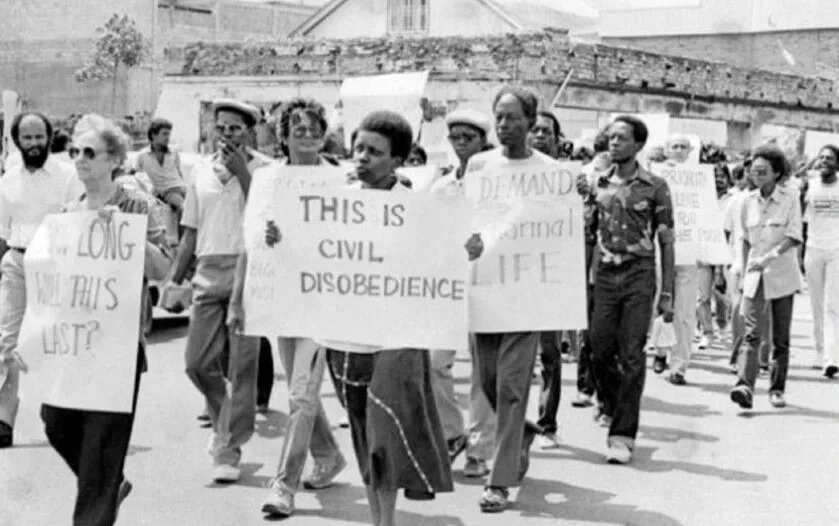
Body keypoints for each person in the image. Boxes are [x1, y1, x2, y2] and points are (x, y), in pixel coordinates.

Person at [322, 111, 452, 526]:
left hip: (395, 340)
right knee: (361, 430)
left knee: (383, 433)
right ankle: (378, 514)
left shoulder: (415, 208)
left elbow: (439, 265)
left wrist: (461, 247)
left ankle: (386, 520)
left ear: (397, 161)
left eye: (374, 152)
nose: (361, 158)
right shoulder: (332, 202)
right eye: (358, 148)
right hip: (344, 337)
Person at [40, 118, 171, 526]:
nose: (80, 160)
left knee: (102, 443)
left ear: (114, 160)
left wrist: (130, 237)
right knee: (56, 423)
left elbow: (164, 267)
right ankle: (109, 484)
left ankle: (98, 501)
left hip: (118, 344)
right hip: (74, 342)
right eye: (75, 152)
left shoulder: (136, 205)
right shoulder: (68, 213)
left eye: (90, 153)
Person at [228, 97, 346, 518]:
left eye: (315, 129)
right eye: (299, 129)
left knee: (301, 392)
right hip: (280, 296)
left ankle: (284, 484)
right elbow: (250, 240)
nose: (309, 136)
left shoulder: (341, 179)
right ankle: (329, 455)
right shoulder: (267, 179)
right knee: (300, 392)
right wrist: (238, 298)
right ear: (284, 136)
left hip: (322, 299)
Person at [166, 99, 274, 483]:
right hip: (209, 271)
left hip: (249, 272)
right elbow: (190, 231)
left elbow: (267, 218)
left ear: (250, 131)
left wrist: (243, 173)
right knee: (196, 362)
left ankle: (229, 448)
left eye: (235, 128)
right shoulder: (199, 171)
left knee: (242, 367)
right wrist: (175, 279)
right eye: (222, 127)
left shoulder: (266, 170)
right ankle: (223, 414)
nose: (227, 135)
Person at [468, 87, 556, 512]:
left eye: (512, 117)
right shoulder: (479, 165)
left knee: (512, 384)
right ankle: (520, 433)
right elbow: (467, 218)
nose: (504, 125)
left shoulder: (551, 172)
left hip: (527, 292)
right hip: (485, 285)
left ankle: (498, 481)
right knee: (488, 382)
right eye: (498, 117)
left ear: (531, 121)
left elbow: (562, 233)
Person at [590, 115, 675, 464]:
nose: (614, 143)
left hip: (639, 275)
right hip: (606, 277)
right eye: (610, 137)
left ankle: (623, 435)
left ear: (638, 145)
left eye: (622, 138)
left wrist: (667, 292)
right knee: (598, 350)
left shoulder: (656, 187)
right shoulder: (598, 184)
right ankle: (610, 404)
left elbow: (667, 243)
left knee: (631, 354)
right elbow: (587, 236)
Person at [0, 112, 84, 449]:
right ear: (17, 140)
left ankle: (61, 413)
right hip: (17, 262)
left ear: (49, 138)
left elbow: (78, 221)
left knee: (55, 340)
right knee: (8, 341)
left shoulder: (67, 176)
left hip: (54, 263)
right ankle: (4, 418)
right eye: (27, 138)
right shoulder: (8, 178)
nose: (34, 144)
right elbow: (3, 231)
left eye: (39, 137)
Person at [428, 108, 497, 478]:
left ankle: (481, 447)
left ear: (483, 141)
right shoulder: (442, 186)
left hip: (489, 283)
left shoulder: (498, 181)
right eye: (454, 138)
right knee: (434, 360)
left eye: (468, 138)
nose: (460, 145)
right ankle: (452, 432)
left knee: (483, 371)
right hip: (449, 284)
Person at [730, 145, 803, 410]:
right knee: (751, 333)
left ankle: (776, 389)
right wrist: (744, 269)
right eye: (753, 170)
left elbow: (794, 236)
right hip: (754, 276)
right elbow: (745, 239)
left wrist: (769, 258)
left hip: (781, 274)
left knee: (780, 337)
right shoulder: (746, 201)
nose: (756, 175)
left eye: (763, 171)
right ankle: (744, 385)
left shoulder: (790, 197)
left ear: (776, 173)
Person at [528, 109, 567, 449]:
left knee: (549, 353)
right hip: (513, 274)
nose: (540, 136)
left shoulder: (565, 178)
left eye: (546, 131)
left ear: (556, 139)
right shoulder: (504, 173)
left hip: (551, 274)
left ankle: (546, 425)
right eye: (534, 130)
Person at [652, 133, 697, 386]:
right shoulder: (657, 177)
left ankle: (679, 366)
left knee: (685, 314)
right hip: (661, 253)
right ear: (667, 150)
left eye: (684, 146)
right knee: (661, 306)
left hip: (690, 254)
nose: (679, 150)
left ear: (689, 151)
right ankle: (660, 351)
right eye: (675, 146)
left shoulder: (700, 178)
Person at [803, 144, 839, 379]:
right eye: (821, 157)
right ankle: (818, 351)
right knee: (816, 304)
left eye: (830, 158)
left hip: (837, 250)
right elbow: (805, 219)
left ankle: (831, 358)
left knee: (832, 306)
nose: (824, 161)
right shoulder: (811, 185)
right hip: (813, 249)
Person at [696, 163, 734, 344]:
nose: (718, 179)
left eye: (722, 175)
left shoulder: (733, 199)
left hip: (726, 253)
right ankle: (707, 332)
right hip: (704, 250)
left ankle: (722, 326)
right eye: (715, 175)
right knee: (702, 296)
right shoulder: (702, 199)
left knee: (722, 294)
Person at [133, 118, 188, 215]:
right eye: (164, 134)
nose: (168, 137)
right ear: (154, 135)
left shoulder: (173, 152)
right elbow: (136, 177)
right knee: (185, 210)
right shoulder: (142, 156)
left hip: (182, 188)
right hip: (167, 192)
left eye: (169, 134)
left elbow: (179, 173)